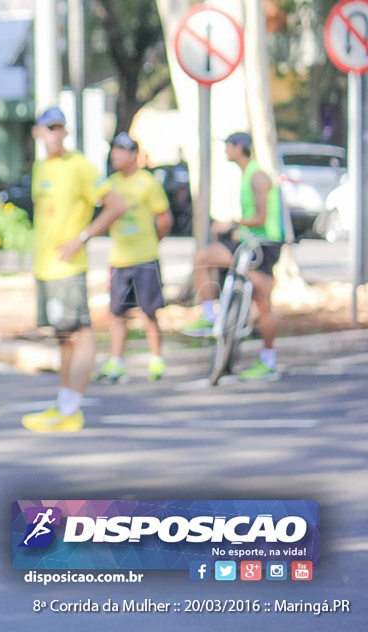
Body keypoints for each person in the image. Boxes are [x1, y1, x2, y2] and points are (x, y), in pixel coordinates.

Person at [21, 107, 126, 433]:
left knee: (80, 334)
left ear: (65, 131)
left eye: (60, 127)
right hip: (45, 267)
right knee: (64, 337)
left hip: (68, 268)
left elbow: (117, 205)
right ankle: (63, 405)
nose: (55, 133)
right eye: (48, 128)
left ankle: (71, 409)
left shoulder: (80, 166)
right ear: (38, 132)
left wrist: (81, 238)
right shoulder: (41, 167)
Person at [182, 131, 285, 380]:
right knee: (206, 259)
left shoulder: (257, 176)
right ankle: (217, 317)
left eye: (228, 146)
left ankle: (211, 316)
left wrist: (232, 224)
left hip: (261, 245)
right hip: (252, 242)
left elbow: (261, 218)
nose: (225, 151)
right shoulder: (248, 174)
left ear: (239, 148)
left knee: (261, 298)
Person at [94, 132, 173, 383]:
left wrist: (152, 242)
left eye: (121, 150)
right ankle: (116, 362)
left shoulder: (147, 182)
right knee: (118, 313)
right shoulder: (110, 184)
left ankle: (156, 359)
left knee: (150, 311)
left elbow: (164, 218)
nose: (115, 154)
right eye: (113, 149)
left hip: (145, 256)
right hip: (120, 258)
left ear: (133, 155)